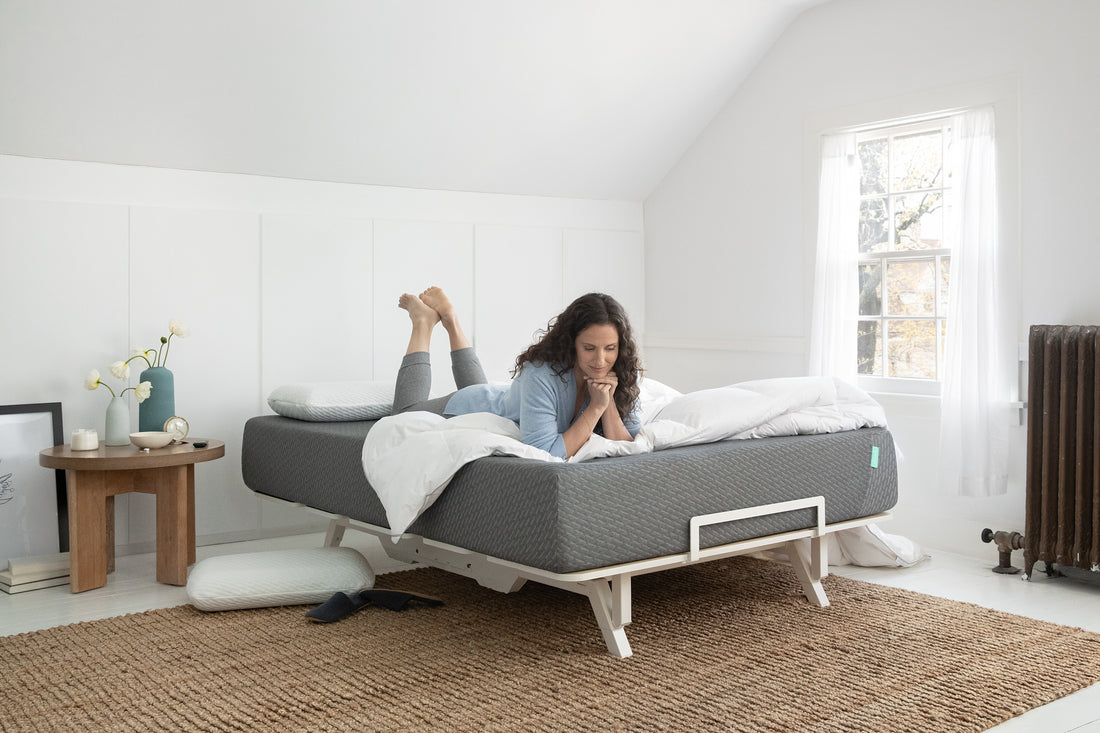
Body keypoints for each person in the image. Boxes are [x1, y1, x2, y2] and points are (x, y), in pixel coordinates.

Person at [393, 287, 642, 459]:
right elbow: (545, 452)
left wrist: (606, 403)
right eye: (589, 348)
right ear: (571, 342)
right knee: (402, 414)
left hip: (505, 400)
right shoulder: (540, 373)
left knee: (490, 395)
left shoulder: (617, 370)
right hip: (475, 406)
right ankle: (423, 323)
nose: (601, 360)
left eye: (610, 348)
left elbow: (629, 445)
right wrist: (595, 409)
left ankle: (450, 320)